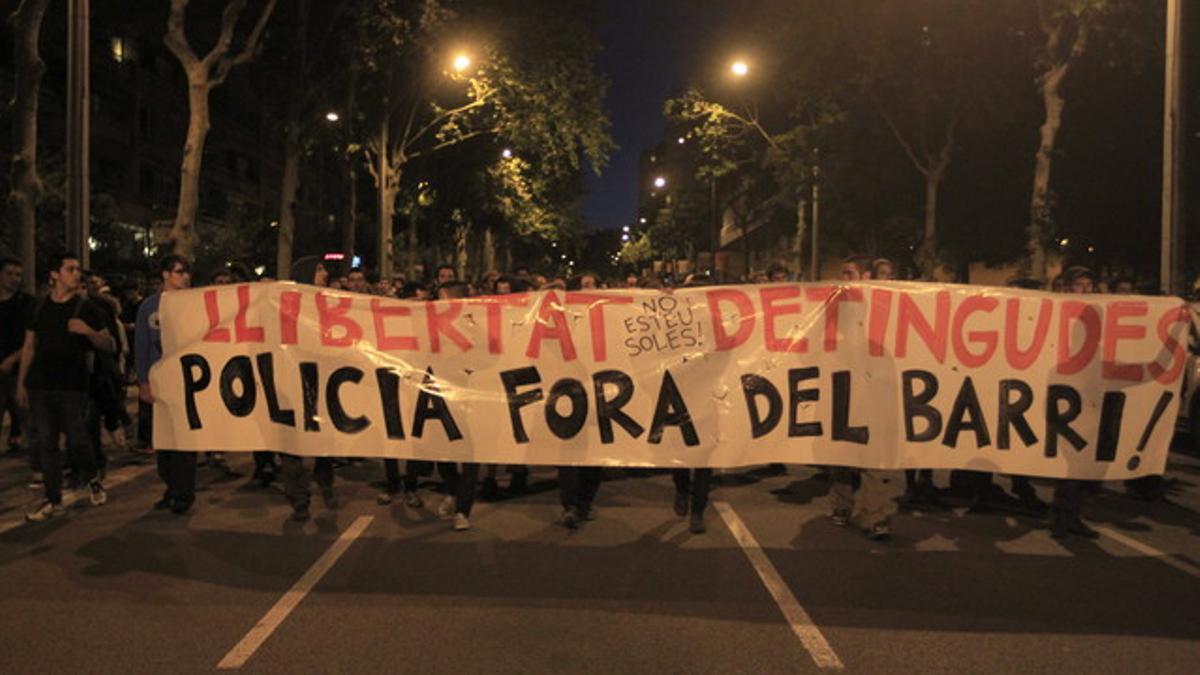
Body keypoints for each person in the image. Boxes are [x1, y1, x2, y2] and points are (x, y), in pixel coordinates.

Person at [19, 252, 117, 521]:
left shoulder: (87, 309)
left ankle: (91, 477)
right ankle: (53, 499)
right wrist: (21, 384)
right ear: (55, 274)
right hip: (41, 385)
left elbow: (110, 344)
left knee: (77, 438)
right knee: (47, 444)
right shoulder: (38, 307)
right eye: (71, 269)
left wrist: (88, 331)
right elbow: (29, 346)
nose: (77, 274)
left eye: (78, 270)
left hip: (73, 386)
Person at [827, 255, 894, 540]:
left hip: (872, 390)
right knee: (842, 453)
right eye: (842, 273)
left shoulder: (882, 305)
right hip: (842, 388)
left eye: (849, 273)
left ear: (864, 276)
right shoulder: (832, 306)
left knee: (872, 456)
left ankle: (874, 514)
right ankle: (842, 505)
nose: (844, 279)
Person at [136, 255, 198, 514]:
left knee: (184, 442)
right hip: (158, 382)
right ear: (165, 275)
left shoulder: (195, 305)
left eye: (186, 272)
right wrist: (142, 381)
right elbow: (142, 344)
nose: (185, 277)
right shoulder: (149, 307)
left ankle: (183, 495)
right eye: (179, 272)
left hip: (187, 383)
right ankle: (172, 488)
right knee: (162, 442)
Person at [1050, 266, 1100, 539]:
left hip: (1085, 398)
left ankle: (1065, 514)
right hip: (1063, 396)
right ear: (1068, 288)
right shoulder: (1058, 314)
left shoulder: (1094, 318)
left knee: (1077, 463)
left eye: (1089, 285)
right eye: (1080, 285)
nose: (1086, 290)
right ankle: (1064, 516)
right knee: (1073, 461)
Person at [0, 257, 32, 456]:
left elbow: (32, 340)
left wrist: (12, 359)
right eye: (9, 274)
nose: (14, 279)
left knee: (26, 415)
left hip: (18, 370)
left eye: (18, 275)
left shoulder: (26, 303)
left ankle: (38, 462)